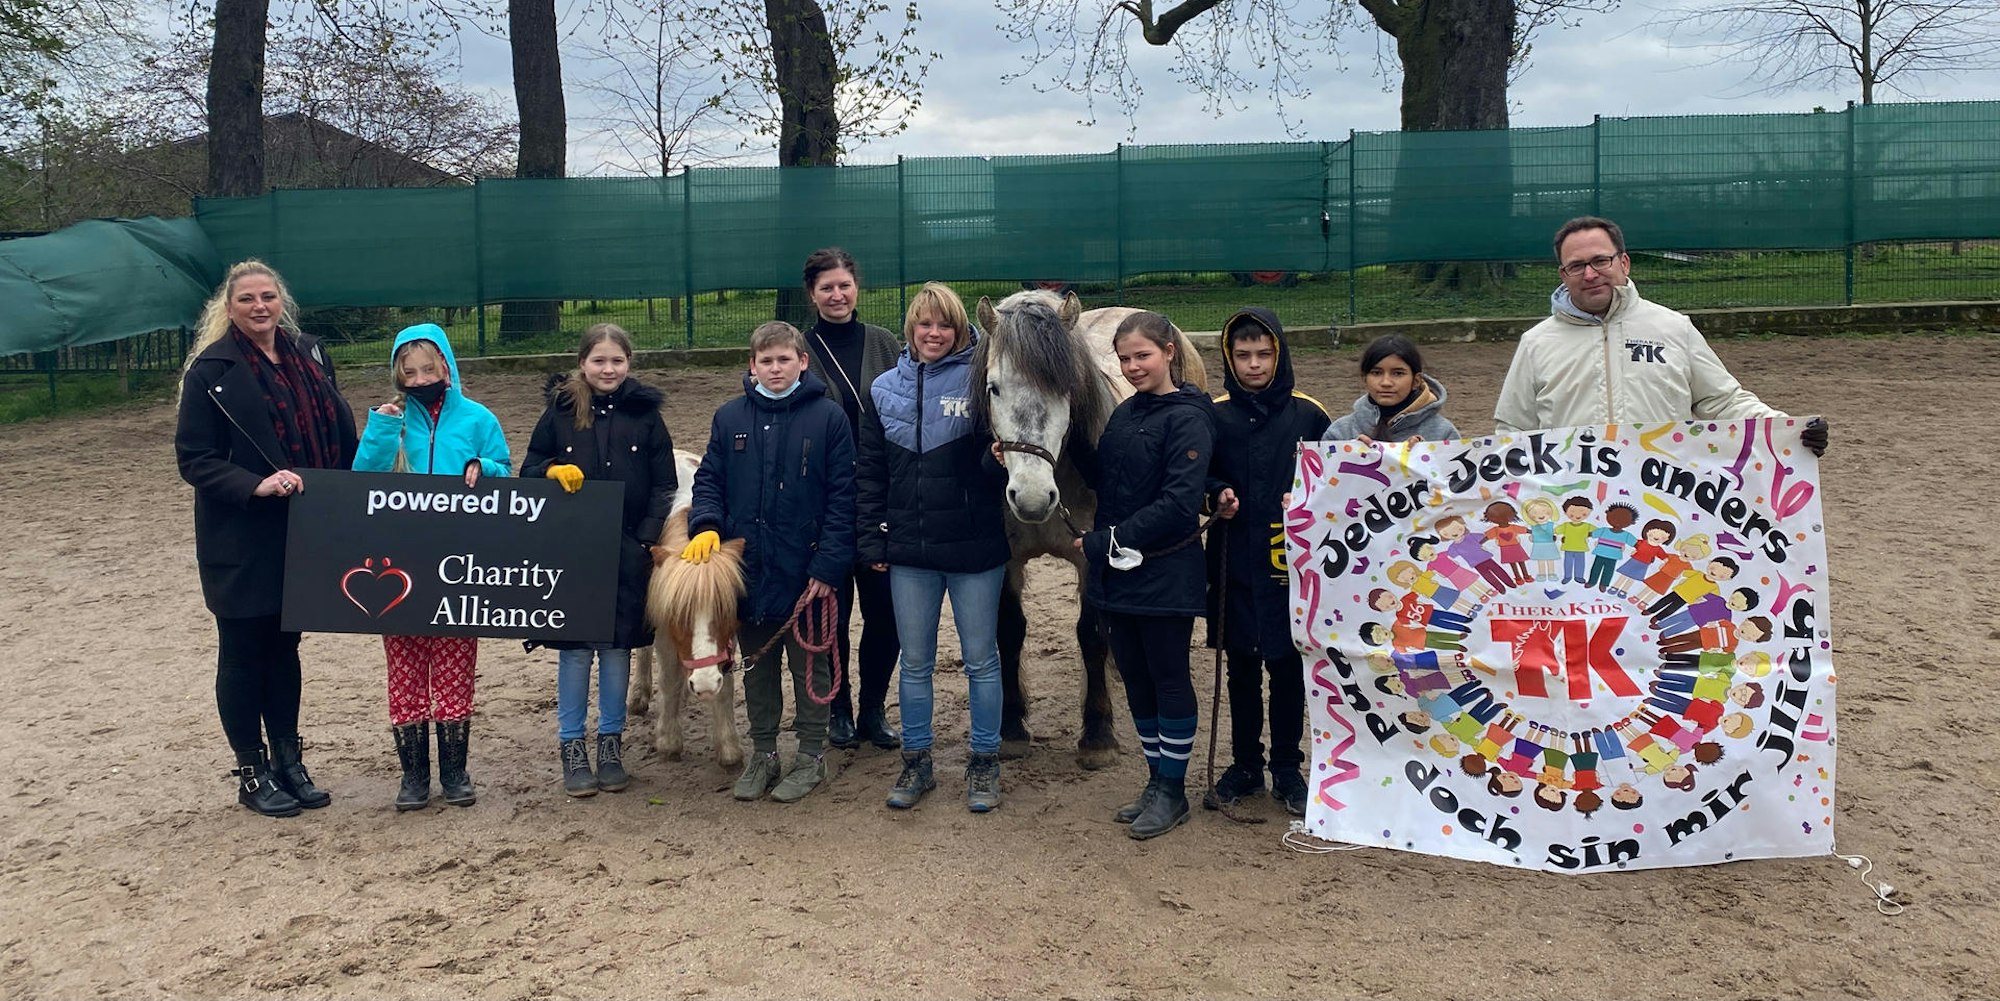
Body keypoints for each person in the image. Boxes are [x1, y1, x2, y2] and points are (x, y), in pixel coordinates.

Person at [175, 260, 358, 817]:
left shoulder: (310, 355)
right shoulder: (212, 370)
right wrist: (254, 485)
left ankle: (288, 760)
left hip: (301, 528)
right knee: (241, 651)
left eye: (268, 296)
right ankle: (251, 771)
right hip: (241, 533)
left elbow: (335, 430)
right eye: (247, 299)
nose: (260, 306)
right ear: (228, 308)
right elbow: (195, 458)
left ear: (282, 301)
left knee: (284, 648)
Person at [684, 321, 856, 804]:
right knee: (757, 671)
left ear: (802, 362)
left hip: (808, 575)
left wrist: (828, 567)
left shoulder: (829, 418)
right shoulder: (729, 418)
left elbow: (843, 497)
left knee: (810, 669)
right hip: (750, 573)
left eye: (784, 359)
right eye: (766, 361)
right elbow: (710, 479)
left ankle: (811, 756)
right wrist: (707, 524)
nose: (775, 368)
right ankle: (764, 753)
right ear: (752, 365)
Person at [856, 283, 1010, 812]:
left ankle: (984, 761)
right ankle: (917, 761)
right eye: (925, 323)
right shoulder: (882, 389)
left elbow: (994, 468)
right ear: (911, 328)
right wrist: (872, 537)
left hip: (974, 550)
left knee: (981, 660)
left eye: (946, 324)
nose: (935, 333)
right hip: (910, 552)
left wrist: (996, 460)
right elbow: (870, 472)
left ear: (961, 330)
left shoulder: (982, 383)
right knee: (915, 662)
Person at [1495, 216, 1830, 456]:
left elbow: (1722, 401)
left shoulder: (1673, 328)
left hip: (1664, 498)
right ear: (1563, 274)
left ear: (1624, 263)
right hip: (1573, 503)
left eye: (1600, 260)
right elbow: (1513, 431)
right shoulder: (1536, 343)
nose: (1590, 274)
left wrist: (1788, 429)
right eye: (1576, 265)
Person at [352, 323, 510, 811]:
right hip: (398, 564)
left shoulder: (479, 418)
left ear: (446, 365)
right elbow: (363, 480)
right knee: (404, 669)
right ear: (397, 374)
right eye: (410, 372)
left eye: (428, 368)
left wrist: (486, 468)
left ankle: (455, 772)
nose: (421, 379)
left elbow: (507, 473)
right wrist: (382, 429)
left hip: (458, 564)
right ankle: (414, 775)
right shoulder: (392, 421)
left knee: (455, 666)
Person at [1075, 311, 1217, 840]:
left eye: (1143, 356)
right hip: (1120, 576)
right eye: (1125, 359)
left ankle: (1173, 790)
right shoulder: (1125, 413)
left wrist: (1103, 542)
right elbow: (1105, 478)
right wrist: (1062, 443)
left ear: (1169, 353)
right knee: (1135, 677)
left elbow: (1179, 504)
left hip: (1165, 571)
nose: (1133, 366)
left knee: (1168, 677)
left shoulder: (1189, 418)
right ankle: (1156, 782)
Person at [521, 324, 678, 798]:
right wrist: (551, 470)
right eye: (599, 361)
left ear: (629, 363)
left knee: (616, 649)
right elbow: (529, 468)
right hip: (572, 550)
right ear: (582, 363)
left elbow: (664, 485)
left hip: (628, 550)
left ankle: (610, 745)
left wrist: (645, 540)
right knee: (574, 651)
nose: (608, 369)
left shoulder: (647, 415)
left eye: (617, 361)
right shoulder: (560, 411)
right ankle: (572, 746)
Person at [1202, 307, 1329, 817]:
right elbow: (1200, 475)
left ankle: (1287, 767)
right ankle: (1245, 765)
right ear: (1229, 359)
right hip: (1233, 561)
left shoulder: (1309, 415)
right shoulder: (1214, 415)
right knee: (1241, 667)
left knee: (1287, 667)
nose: (1253, 364)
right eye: (1243, 355)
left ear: (1280, 354)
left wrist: (1306, 500)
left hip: (1292, 565)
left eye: (1263, 354)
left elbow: (1336, 481)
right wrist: (1217, 495)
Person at [797, 248, 903, 750]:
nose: (837, 295)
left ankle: (873, 709)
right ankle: (836, 708)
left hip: (881, 502)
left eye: (844, 285)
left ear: (856, 287)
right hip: (826, 506)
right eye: (827, 288)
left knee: (886, 615)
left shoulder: (885, 343)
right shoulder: (798, 349)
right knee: (830, 615)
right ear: (812, 294)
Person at [1325, 334, 1459, 444]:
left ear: (1416, 381)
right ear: (1364, 378)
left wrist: (1425, 456)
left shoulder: (1443, 435)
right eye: (1376, 373)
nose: (1386, 382)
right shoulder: (1340, 434)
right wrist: (1350, 457)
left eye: (1398, 373)